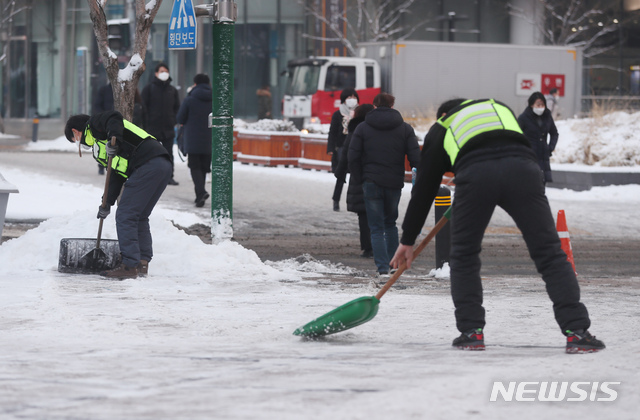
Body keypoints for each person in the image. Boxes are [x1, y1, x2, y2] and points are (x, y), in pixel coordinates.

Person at [390, 98, 605, 354]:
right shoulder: (498, 107)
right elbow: (512, 146)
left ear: (444, 114)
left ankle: (471, 333)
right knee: (549, 253)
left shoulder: (442, 125)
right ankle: (577, 333)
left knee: (464, 255)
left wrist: (408, 239)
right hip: (524, 171)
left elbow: (426, 187)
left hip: (476, 176)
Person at [64, 111, 172, 279]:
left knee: (125, 215)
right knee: (139, 215)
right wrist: (106, 203)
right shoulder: (101, 145)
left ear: (75, 131)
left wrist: (116, 140)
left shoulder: (95, 124)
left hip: (148, 164)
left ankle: (129, 266)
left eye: (75, 140)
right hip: (161, 164)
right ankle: (142, 262)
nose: (79, 143)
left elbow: (113, 117)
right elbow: (116, 175)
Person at [349, 92, 420, 276]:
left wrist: (359, 178)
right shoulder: (404, 129)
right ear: (392, 106)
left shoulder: (363, 128)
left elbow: (353, 156)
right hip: (394, 182)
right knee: (390, 224)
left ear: (374, 106)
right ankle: (394, 266)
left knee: (376, 227)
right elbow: (416, 159)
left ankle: (382, 268)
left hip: (371, 182)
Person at [334, 103, 374, 258]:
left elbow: (347, 152)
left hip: (359, 176)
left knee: (363, 215)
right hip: (377, 174)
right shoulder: (377, 128)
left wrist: (340, 171)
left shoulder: (355, 128)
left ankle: (367, 247)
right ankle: (381, 245)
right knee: (378, 213)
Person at [176, 74, 213, 208]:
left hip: (193, 139)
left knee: (194, 167)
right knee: (203, 167)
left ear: (195, 84)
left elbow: (180, 118)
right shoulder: (215, 99)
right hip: (209, 139)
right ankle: (200, 195)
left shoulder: (190, 99)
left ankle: (201, 192)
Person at [141, 63, 181, 186]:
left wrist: (173, 120)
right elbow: (143, 107)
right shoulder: (149, 88)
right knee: (152, 154)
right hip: (152, 128)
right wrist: (146, 124)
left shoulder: (172, 90)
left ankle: (169, 176)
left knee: (169, 153)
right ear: (156, 73)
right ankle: (152, 176)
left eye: (166, 71)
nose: (164, 73)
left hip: (168, 128)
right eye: (162, 71)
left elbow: (177, 107)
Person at [328, 88, 359, 211]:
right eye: (349, 97)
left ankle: (353, 201)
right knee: (341, 175)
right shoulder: (338, 114)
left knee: (356, 175)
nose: (352, 100)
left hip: (356, 147)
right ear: (343, 100)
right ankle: (336, 200)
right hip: (342, 147)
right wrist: (331, 148)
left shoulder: (359, 113)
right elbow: (332, 133)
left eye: (354, 97)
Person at [517, 91, 559, 184]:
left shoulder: (547, 116)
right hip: (529, 157)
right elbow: (516, 134)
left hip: (543, 157)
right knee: (530, 184)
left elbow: (554, 133)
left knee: (541, 185)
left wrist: (550, 147)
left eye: (542, 105)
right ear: (531, 105)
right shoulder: (524, 118)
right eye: (538, 105)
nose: (540, 107)